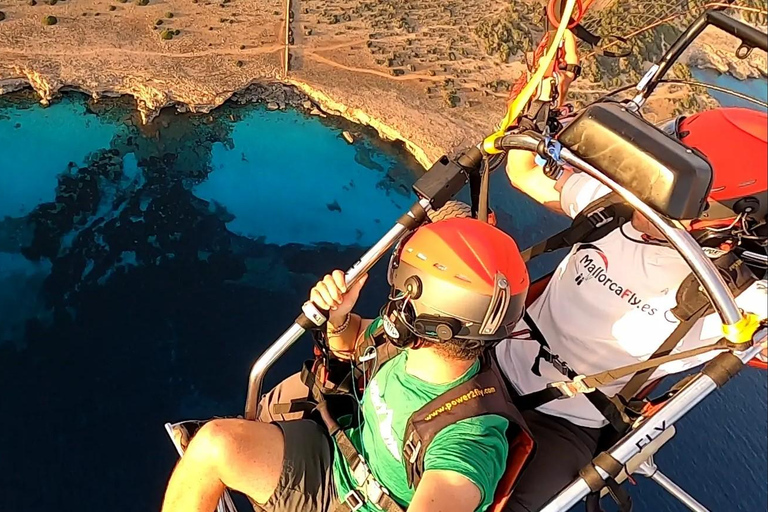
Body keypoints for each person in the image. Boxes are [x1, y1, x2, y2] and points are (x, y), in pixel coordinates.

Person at [496, 106, 768, 511]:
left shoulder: (738, 296)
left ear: (723, 220)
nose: (642, 195)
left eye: (664, 192)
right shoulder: (613, 209)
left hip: (565, 425)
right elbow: (524, 172)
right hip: (491, 363)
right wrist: (536, 105)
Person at [161, 217, 533, 512]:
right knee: (214, 444)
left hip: (362, 498)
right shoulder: (409, 347)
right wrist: (338, 318)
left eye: (403, 291)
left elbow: (453, 485)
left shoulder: (470, 441)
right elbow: (357, 341)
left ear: (423, 321)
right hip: (335, 459)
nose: (394, 300)